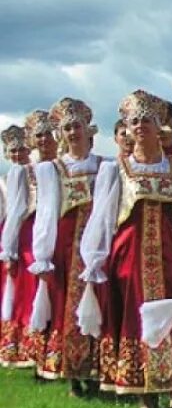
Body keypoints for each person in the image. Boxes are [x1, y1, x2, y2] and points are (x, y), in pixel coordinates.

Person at [79, 90, 172, 408]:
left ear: (162, 128)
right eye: (135, 121)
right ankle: (144, 395)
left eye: (148, 120)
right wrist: (94, 259)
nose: (141, 126)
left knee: (171, 314)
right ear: (126, 129)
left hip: (169, 253)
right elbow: (102, 216)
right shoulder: (116, 170)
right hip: (131, 253)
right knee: (135, 316)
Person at [28, 99, 104, 392]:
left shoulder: (104, 166)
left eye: (77, 126)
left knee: (101, 299)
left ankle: (96, 368)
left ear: (88, 130)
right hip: (67, 243)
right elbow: (45, 213)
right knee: (67, 305)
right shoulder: (52, 170)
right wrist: (43, 255)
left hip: (97, 242)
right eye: (68, 127)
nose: (73, 132)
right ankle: (71, 371)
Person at [0, 112, 57, 369]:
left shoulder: (65, 166)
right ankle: (33, 351)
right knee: (33, 292)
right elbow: (14, 211)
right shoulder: (25, 173)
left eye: (49, 134)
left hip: (63, 233)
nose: (44, 140)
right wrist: (9, 250)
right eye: (39, 135)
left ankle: (56, 350)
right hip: (32, 236)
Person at [0, 124, 34, 367]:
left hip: (30, 234)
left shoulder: (36, 174)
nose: (18, 155)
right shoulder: (6, 179)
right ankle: (12, 344)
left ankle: (31, 346)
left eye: (21, 149)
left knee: (28, 290)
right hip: (11, 236)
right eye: (13, 151)